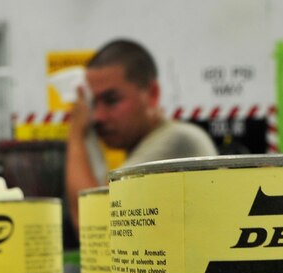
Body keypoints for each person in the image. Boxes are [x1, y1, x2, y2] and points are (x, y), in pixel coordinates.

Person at [64, 39, 218, 231]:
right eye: (93, 104)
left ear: (152, 94)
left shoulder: (178, 141)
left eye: (111, 100)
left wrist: (77, 133)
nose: (97, 117)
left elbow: (92, 224)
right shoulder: (152, 143)